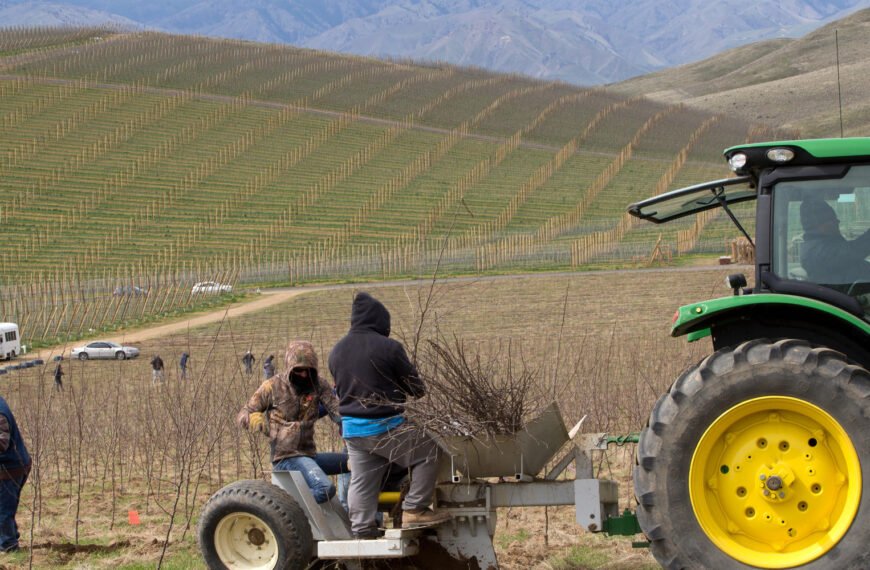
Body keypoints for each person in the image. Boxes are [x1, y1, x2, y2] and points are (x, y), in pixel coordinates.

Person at [329, 291, 449, 538]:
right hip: (385, 425)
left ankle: (362, 528)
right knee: (430, 450)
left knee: (362, 479)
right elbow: (416, 389)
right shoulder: (389, 347)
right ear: (381, 321)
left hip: (352, 431)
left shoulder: (336, 351)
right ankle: (415, 508)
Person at [237, 340, 346, 504]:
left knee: (357, 464)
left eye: (308, 371)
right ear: (290, 368)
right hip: (285, 456)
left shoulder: (319, 385)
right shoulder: (272, 386)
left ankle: (356, 518)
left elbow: (336, 410)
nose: (303, 375)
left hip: (309, 455)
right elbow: (245, 412)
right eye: (299, 370)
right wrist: (254, 418)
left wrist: (352, 422)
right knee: (325, 489)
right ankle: (279, 504)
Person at [800, 197, 870, 285]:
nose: (837, 223)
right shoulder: (818, 252)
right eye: (833, 220)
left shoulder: (826, 245)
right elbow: (855, 250)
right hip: (839, 297)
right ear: (821, 225)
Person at [0, 395, 30, 552]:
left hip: (11, 468)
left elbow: (2, 443)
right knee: (5, 508)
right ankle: (9, 536)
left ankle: (8, 546)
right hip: (12, 465)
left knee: (3, 509)